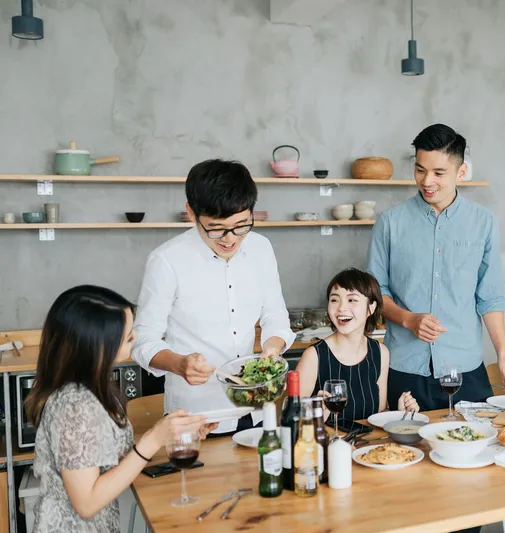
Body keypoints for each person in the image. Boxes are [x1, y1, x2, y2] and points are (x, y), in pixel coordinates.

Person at [28, 285, 212, 532]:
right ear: (96, 345)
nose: (135, 339)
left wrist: (176, 435)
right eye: (127, 337)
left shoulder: (93, 388)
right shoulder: (74, 406)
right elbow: (86, 503)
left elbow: (110, 459)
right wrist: (153, 438)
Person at [367, 123, 505, 414]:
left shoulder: (484, 222)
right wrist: (408, 319)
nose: (427, 181)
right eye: (420, 169)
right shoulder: (390, 223)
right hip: (405, 367)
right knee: (405, 451)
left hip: (465, 366)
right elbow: (375, 294)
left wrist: (503, 355)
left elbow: (489, 297)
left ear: (461, 172)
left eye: (439, 173)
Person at [132, 159, 296, 435]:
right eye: (217, 228)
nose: (230, 239)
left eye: (242, 225)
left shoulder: (261, 248)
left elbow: (275, 317)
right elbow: (142, 341)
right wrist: (180, 364)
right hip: (194, 418)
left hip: (253, 412)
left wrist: (272, 349)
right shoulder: (166, 261)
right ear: (191, 213)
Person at [296, 268, 419, 422]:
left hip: (367, 445)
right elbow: (294, 421)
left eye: (352, 300)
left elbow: (379, 413)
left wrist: (400, 415)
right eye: (334, 300)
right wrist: (319, 414)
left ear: (371, 308)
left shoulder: (380, 353)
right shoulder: (314, 356)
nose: (341, 308)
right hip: (328, 444)